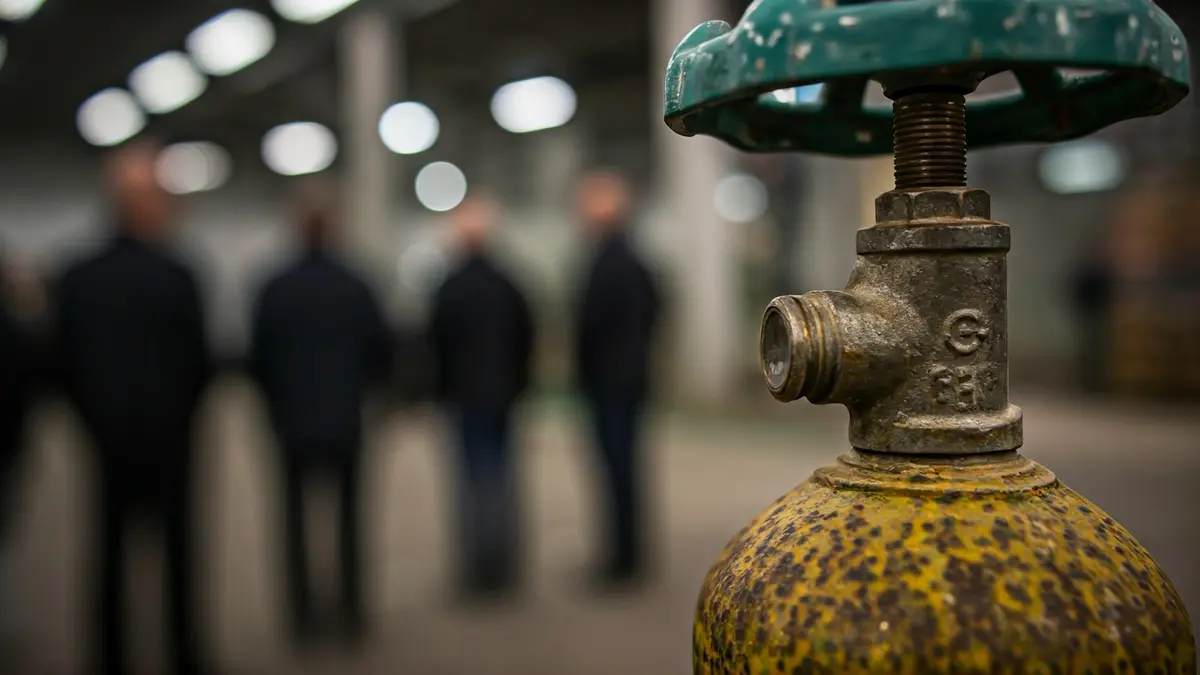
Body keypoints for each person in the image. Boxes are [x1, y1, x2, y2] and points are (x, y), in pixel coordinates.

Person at [54, 143, 211, 675]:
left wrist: (92, 418)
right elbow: (199, 363)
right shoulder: (177, 274)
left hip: (109, 435)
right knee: (175, 555)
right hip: (167, 435)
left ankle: (110, 655)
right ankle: (183, 652)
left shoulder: (79, 276)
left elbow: (61, 365)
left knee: (109, 551)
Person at [249, 182, 391, 644]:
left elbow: (258, 358)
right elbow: (379, 351)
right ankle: (350, 612)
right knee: (350, 519)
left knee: (293, 523)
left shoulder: (274, 287)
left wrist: (273, 404)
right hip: (346, 417)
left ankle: (303, 617)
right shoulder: (357, 285)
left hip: (291, 420)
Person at [429, 195, 534, 599]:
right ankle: (505, 567)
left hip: (464, 397)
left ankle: (478, 570)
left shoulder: (450, 286)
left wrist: (440, 389)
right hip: (503, 395)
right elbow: (527, 334)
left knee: (471, 482)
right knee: (503, 478)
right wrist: (518, 382)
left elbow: (435, 342)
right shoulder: (508, 283)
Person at [573, 170, 661, 588]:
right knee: (623, 470)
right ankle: (626, 555)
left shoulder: (610, 262)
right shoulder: (631, 259)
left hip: (611, 385)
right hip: (626, 380)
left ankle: (622, 561)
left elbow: (591, 326)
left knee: (617, 471)